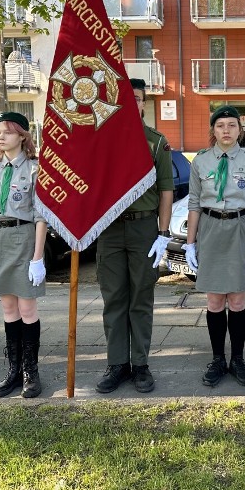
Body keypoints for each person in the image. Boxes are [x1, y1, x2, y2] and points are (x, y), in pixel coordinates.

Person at [95, 78, 174, 394]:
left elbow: (166, 190)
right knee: (113, 298)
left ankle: (140, 365)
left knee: (141, 297)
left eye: (138, 98)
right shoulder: (101, 141)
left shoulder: (156, 142)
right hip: (110, 229)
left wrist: (163, 233)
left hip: (143, 229)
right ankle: (117, 365)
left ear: (144, 103)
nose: (132, 103)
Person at [182, 105, 245, 387]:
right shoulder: (201, 162)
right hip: (210, 229)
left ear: (240, 130)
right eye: (221, 126)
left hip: (240, 229)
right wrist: (190, 244)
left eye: (232, 125)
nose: (226, 130)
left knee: (238, 300)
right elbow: (194, 204)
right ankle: (218, 358)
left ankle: (238, 359)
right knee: (215, 300)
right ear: (213, 131)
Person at [0, 112, 48, 398]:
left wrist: (38, 257)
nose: (1, 136)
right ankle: (13, 371)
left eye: (7, 131)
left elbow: (41, 215)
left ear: (22, 135)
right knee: (8, 309)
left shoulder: (35, 169)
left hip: (24, 238)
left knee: (27, 310)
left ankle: (31, 372)